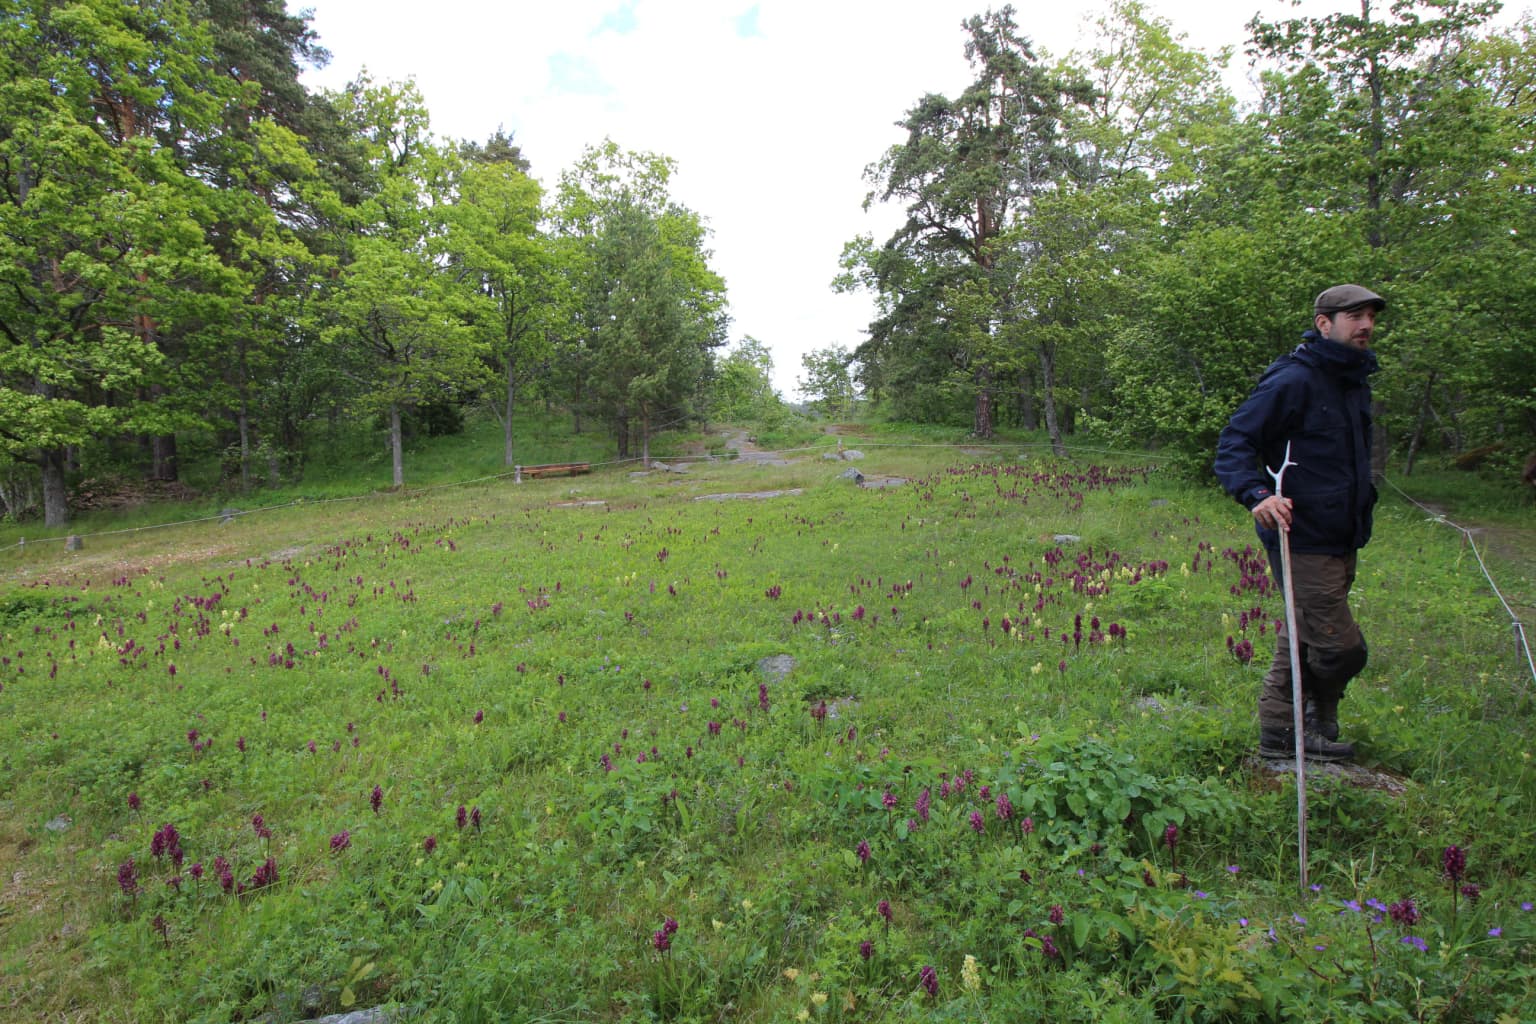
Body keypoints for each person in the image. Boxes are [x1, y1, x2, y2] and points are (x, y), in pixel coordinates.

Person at [1214, 284, 1384, 761]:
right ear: (1323, 323)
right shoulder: (1294, 380)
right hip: (1299, 534)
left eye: (1370, 316)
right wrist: (1256, 495)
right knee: (1342, 647)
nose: (1366, 325)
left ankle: (1281, 734)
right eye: (1354, 316)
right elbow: (1235, 442)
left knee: (1302, 631)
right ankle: (1315, 716)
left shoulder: (1352, 382)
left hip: (1342, 533)